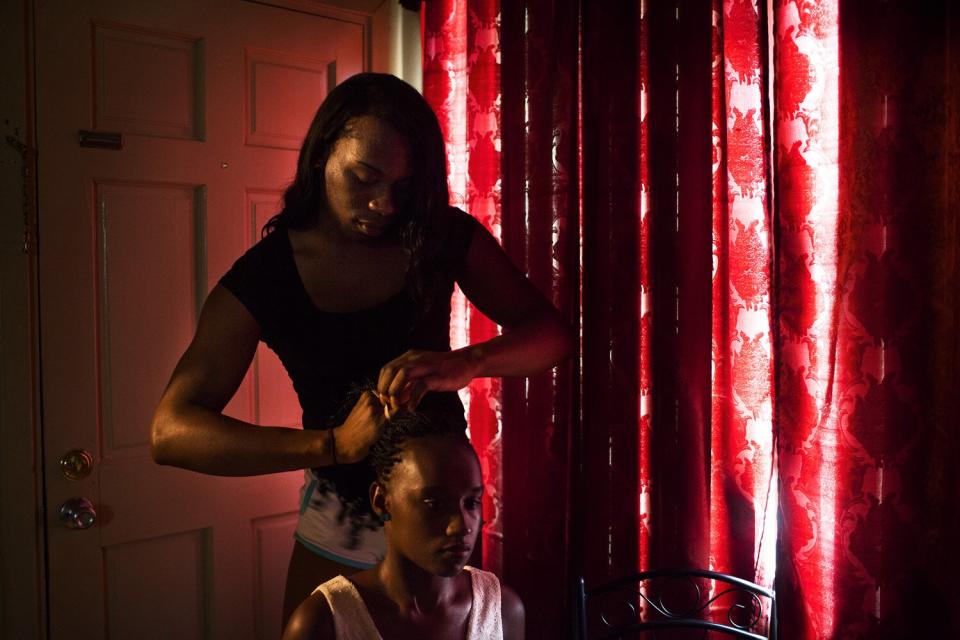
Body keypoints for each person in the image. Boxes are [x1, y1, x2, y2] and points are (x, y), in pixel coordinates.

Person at [150, 72, 571, 625]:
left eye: (403, 187)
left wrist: (466, 363)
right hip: (339, 521)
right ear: (323, 153)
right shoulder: (266, 277)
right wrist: (331, 445)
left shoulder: (440, 235)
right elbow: (171, 433)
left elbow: (552, 336)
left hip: (441, 510)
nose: (383, 204)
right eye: (364, 177)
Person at [281, 410, 525, 639]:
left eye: (471, 502)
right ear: (381, 501)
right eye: (435, 504)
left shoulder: (502, 610)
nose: (460, 526)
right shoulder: (325, 622)